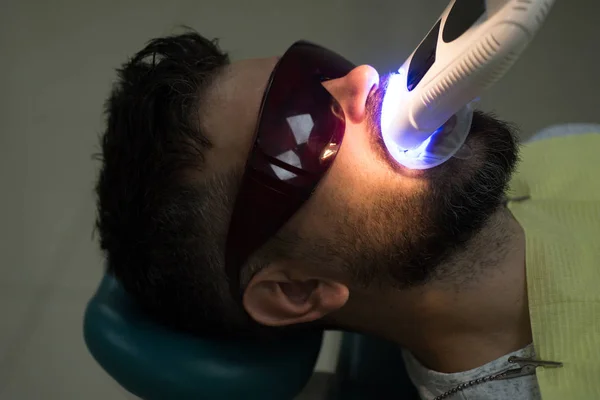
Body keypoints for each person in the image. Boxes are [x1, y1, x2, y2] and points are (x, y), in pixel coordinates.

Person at [95, 31, 600, 399]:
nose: (363, 78)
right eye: (300, 128)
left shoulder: (562, 149)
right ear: (298, 290)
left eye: (318, 71)